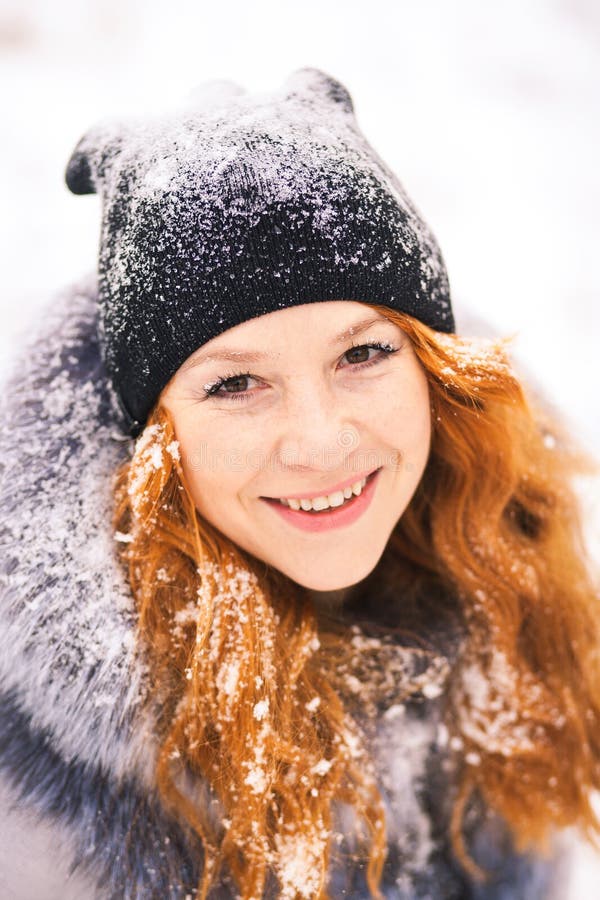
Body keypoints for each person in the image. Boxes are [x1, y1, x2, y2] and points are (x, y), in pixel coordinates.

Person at [0, 66, 598, 900]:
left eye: (364, 353)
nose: (321, 443)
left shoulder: (498, 566)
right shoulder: (30, 818)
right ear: (153, 437)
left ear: (433, 370)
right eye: (235, 384)